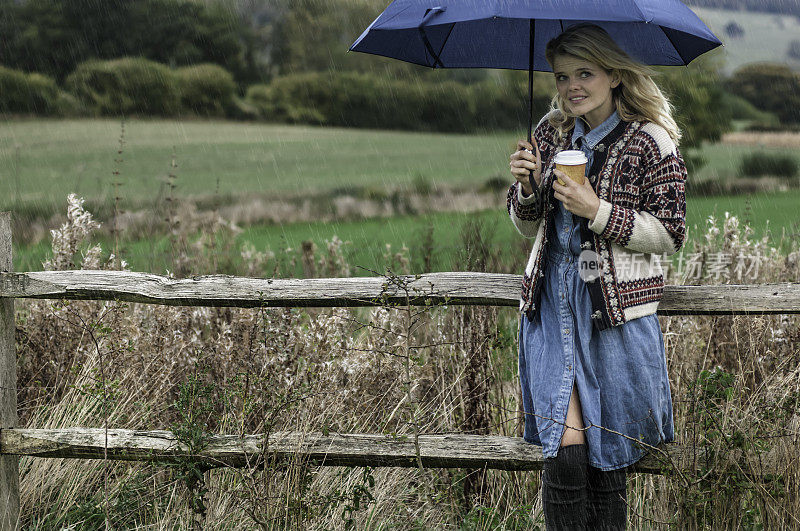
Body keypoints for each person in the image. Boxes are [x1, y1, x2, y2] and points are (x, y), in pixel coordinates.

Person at [506, 24, 687, 530]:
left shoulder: (650, 141)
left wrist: (597, 210)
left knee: (607, 455)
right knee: (564, 451)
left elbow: (671, 232)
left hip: (614, 315)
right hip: (552, 306)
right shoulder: (549, 132)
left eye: (585, 73)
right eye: (563, 76)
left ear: (614, 75)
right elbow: (525, 224)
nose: (572, 87)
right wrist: (525, 188)